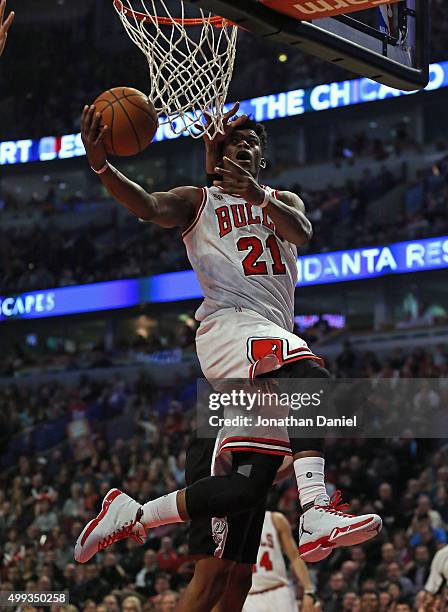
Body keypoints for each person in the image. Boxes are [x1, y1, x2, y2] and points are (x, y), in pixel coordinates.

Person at [74, 102, 381, 611]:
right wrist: (102, 165)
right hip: (228, 324)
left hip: (266, 339)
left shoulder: (281, 200)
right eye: (233, 141)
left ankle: (132, 515)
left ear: (261, 158)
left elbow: (303, 232)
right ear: (216, 158)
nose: (243, 146)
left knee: (246, 490)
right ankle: (315, 509)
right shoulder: (199, 200)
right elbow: (148, 205)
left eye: (252, 142)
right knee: (308, 371)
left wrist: (259, 197)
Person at [242, 510, 316, 612]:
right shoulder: (233, 527)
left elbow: (294, 557)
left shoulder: (274, 519)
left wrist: (309, 590)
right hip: (249, 597)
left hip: (278, 591)